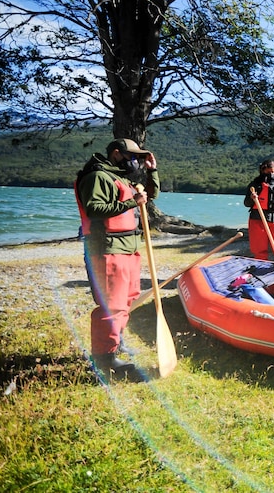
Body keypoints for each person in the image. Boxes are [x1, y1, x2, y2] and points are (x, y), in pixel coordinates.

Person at [75, 138, 159, 379]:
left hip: (128, 248)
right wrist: (134, 201)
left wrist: (152, 171)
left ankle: (114, 343)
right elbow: (95, 208)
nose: (136, 161)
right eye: (132, 156)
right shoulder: (97, 177)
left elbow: (149, 195)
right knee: (112, 304)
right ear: (115, 153)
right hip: (108, 248)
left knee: (128, 300)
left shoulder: (121, 178)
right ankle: (105, 360)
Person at [244, 159, 274, 264]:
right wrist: (252, 198)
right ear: (263, 170)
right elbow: (247, 203)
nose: (271, 174)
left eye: (273, 172)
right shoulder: (255, 185)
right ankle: (261, 268)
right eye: (269, 171)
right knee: (259, 249)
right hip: (258, 220)